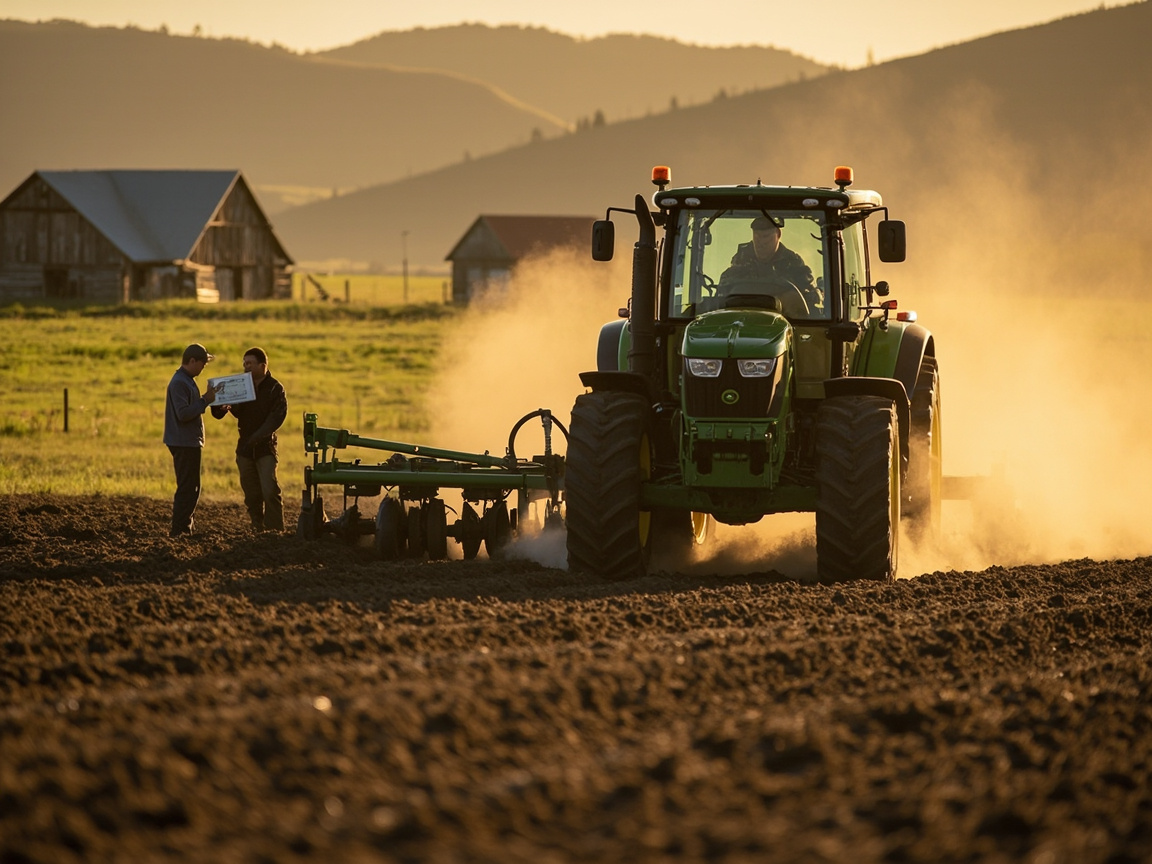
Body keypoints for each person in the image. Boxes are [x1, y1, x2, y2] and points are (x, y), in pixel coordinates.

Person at [211, 347, 288, 532]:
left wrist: (258, 436)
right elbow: (217, 412)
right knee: (251, 493)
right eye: (244, 363)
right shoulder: (238, 385)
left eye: (250, 363)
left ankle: (275, 531)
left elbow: (277, 417)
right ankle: (257, 527)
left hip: (265, 447)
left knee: (269, 490)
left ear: (262, 365)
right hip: (245, 447)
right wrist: (221, 406)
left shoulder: (275, 388)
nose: (246, 367)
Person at [164, 343, 220, 537]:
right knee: (188, 487)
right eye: (202, 363)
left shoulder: (185, 380)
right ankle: (180, 530)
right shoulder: (180, 382)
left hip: (186, 440)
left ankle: (183, 527)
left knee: (191, 486)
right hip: (183, 441)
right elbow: (183, 413)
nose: (203, 367)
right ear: (192, 361)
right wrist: (205, 400)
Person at [719, 216, 820, 313]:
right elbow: (722, 296)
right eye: (756, 236)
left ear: (778, 235)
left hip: (786, 323)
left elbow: (812, 303)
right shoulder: (740, 262)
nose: (760, 242)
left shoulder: (794, 265)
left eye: (765, 237)